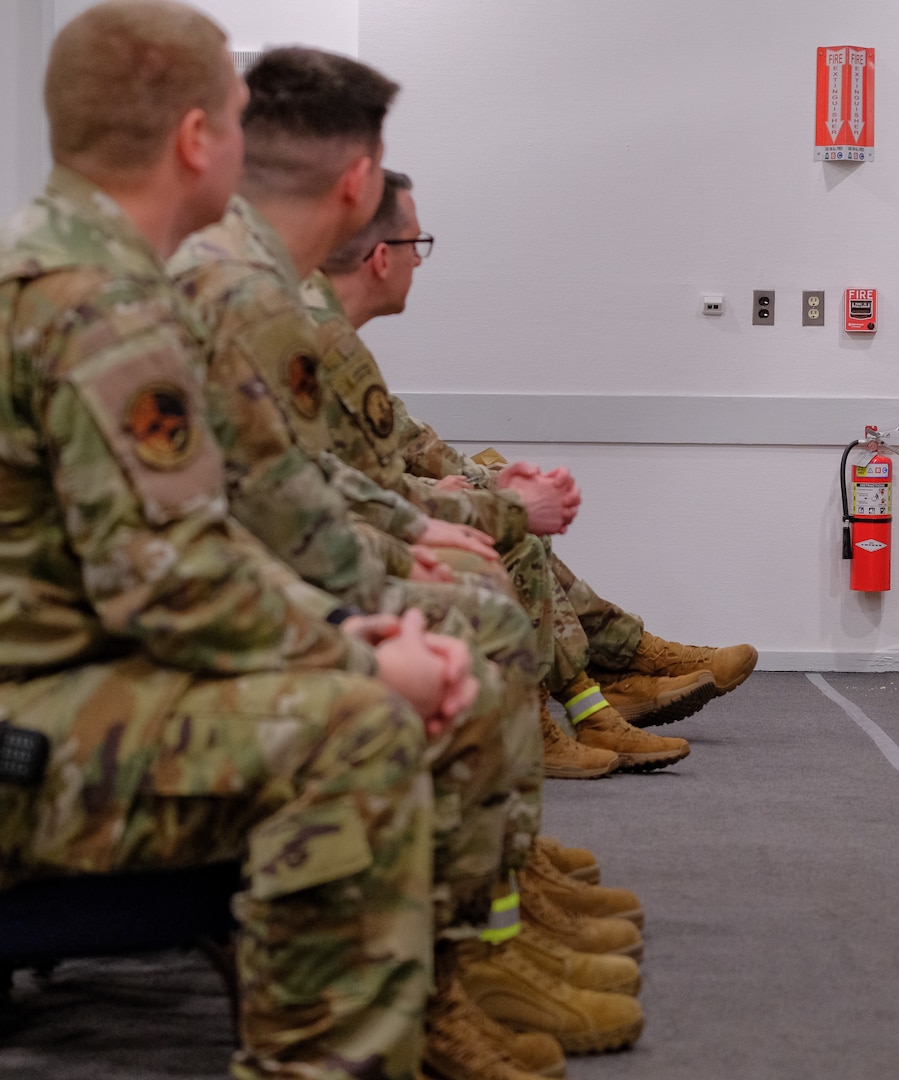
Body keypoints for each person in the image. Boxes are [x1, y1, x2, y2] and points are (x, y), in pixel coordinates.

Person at [0, 5, 496, 1079]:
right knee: (354, 729)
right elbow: (171, 586)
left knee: (363, 684)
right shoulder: (100, 307)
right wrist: (364, 654)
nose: (247, 146)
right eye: (235, 120)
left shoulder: (86, 274)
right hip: (28, 729)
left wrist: (338, 623)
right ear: (194, 139)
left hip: (69, 683)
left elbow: (194, 551)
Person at [166, 46, 644, 1065]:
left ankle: (479, 948)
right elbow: (226, 516)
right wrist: (359, 615)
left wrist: (416, 530)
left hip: (186, 613)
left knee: (466, 577)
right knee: (463, 617)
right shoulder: (245, 297)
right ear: (357, 184)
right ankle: (450, 975)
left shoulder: (245, 285)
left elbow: (288, 480)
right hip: (135, 664)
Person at [308, 171, 758, 776]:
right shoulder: (305, 331)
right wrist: (464, 503)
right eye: (418, 245)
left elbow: (396, 439)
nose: (423, 260)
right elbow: (321, 481)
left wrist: (475, 483)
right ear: (382, 258)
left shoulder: (323, 329)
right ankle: (590, 690)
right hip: (323, 541)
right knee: (508, 532)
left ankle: (617, 668)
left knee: (497, 490)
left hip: (353, 515)